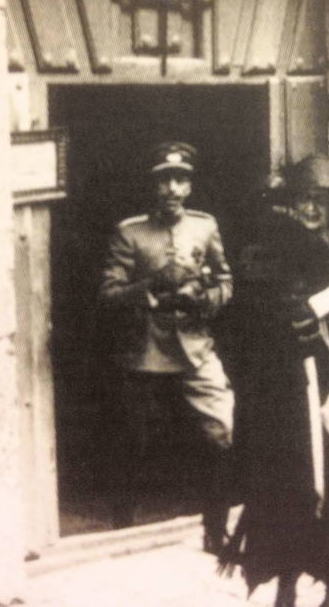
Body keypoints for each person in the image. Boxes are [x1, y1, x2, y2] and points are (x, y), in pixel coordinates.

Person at [225, 154, 329, 607]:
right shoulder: (271, 245)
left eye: (321, 200)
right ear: (291, 203)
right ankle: (286, 583)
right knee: (292, 484)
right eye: (304, 199)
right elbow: (280, 315)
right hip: (290, 386)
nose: (312, 208)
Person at [98, 141, 234, 553]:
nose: (172, 189)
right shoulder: (130, 231)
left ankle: (216, 530)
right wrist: (152, 284)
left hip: (195, 346)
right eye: (164, 180)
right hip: (146, 349)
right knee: (134, 438)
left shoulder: (204, 226)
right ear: (153, 185)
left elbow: (225, 280)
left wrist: (208, 299)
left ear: (190, 186)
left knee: (220, 430)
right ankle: (123, 527)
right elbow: (108, 293)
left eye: (181, 180)